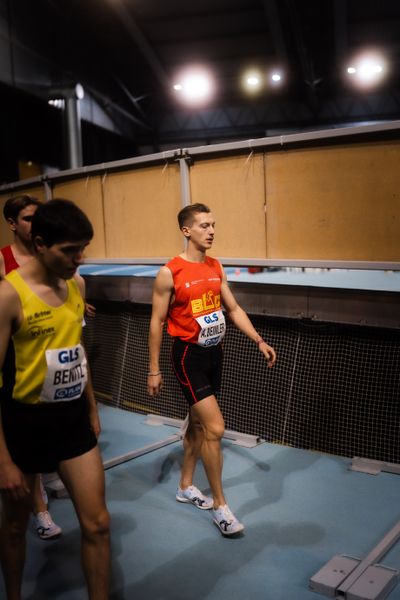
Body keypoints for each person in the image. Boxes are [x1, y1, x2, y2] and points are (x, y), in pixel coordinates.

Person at [0, 199, 110, 600]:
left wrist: (92, 407)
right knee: (13, 527)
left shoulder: (76, 285)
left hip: (71, 420)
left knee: (97, 524)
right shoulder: (7, 296)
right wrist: (3, 459)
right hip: (23, 425)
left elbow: (74, 350)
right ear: (41, 243)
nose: (78, 259)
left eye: (83, 249)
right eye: (69, 251)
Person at [148, 203, 276, 536]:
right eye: (204, 225)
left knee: (197, 426)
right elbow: (157, 322)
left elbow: (233, 309)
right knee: (215, 428)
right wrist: (153, 369)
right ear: (186, 230)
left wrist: (258, 340)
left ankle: (185, 485)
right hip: (187, 358)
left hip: (214, 355)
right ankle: (221, 506)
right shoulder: (169, 272)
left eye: (214, 225)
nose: (212, 231)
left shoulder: (215, 266)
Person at [0, 194, 62, 540]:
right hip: (14, 362)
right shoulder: (2, 261)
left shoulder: (48, 258)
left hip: (49, 359)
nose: (35, 223)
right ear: (12, 224)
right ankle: (39, 509)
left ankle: (46, 475)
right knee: (22, 436)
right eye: (27, 218)